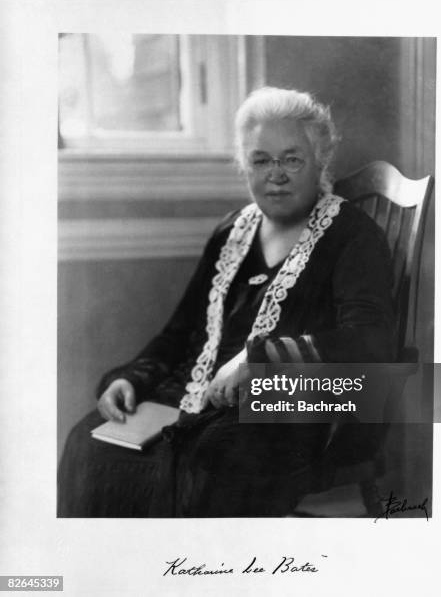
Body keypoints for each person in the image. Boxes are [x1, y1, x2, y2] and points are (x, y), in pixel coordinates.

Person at [58, 87, 395, 518]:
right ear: (244, 164)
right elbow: (180, 332)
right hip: (195, 398)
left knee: (205, 458)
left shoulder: (352, 237)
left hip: (287, 412)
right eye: (260, 159)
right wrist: (132, 379)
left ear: (320, 161)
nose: (276, 174)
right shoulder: (230, 232)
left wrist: (260, 360)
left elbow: (370, 344)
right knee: (87, 440)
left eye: (292, 159)